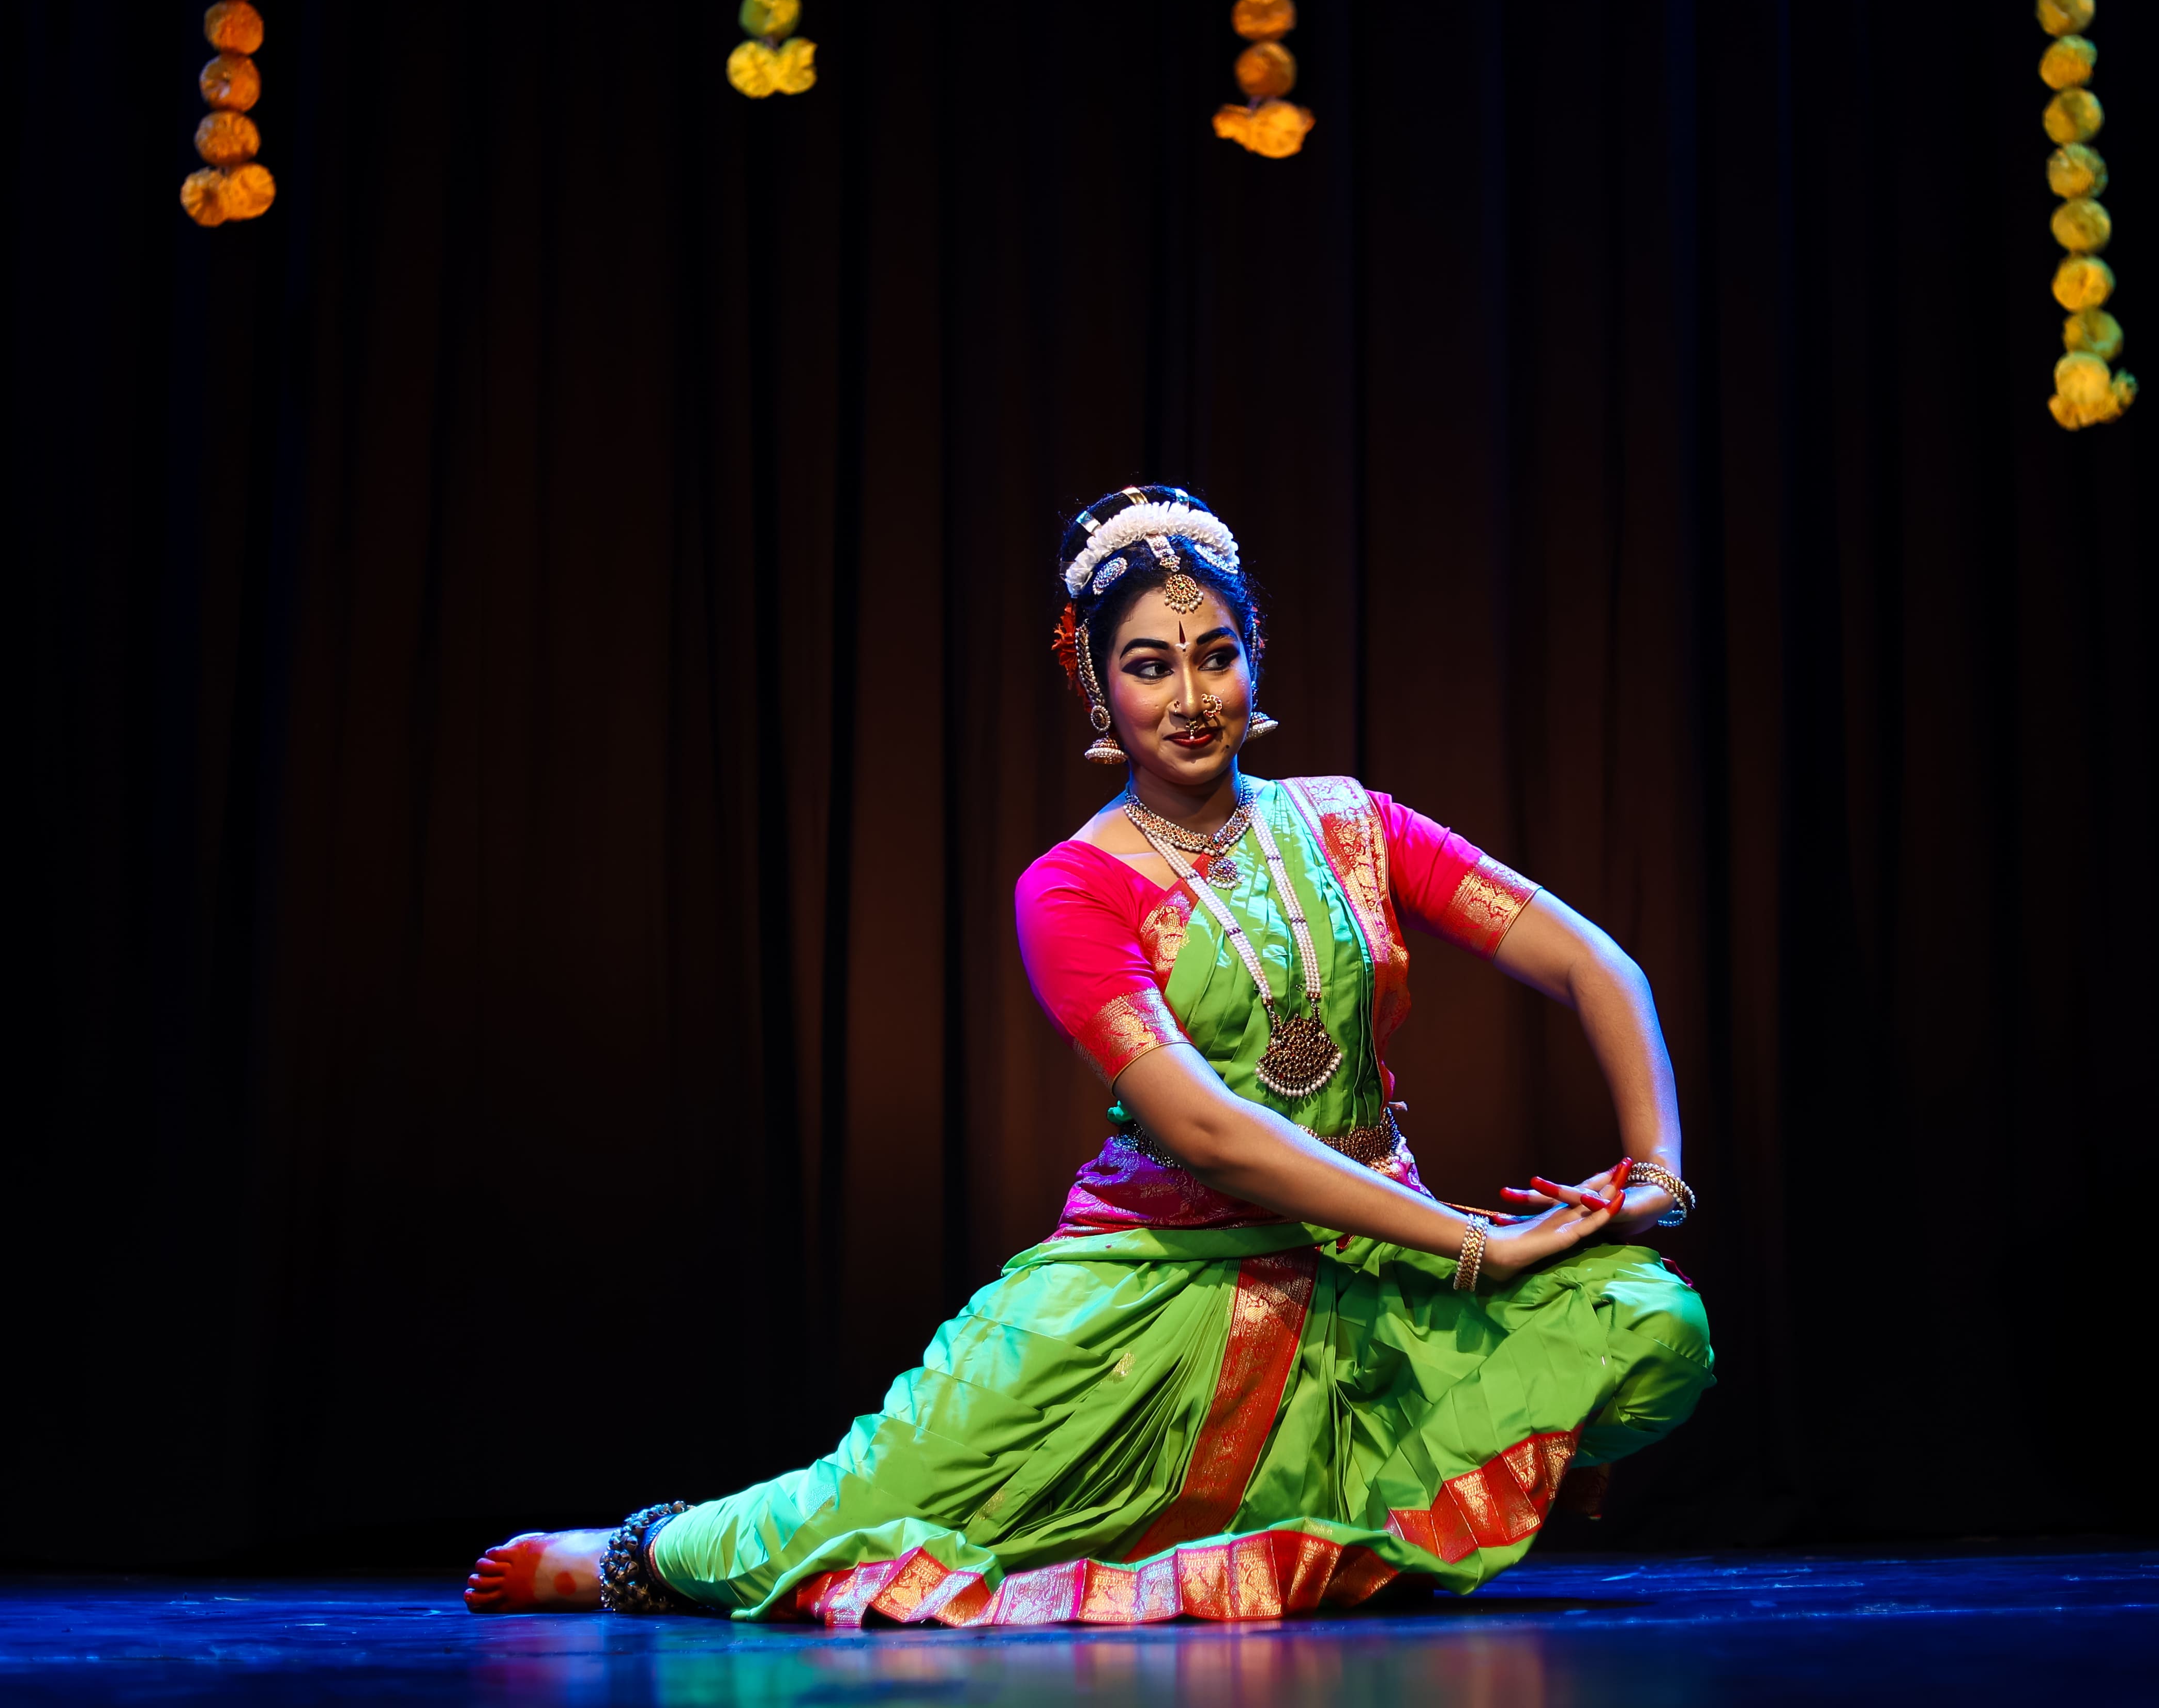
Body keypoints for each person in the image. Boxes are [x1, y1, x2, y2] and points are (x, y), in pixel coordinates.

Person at [463, 486, 1711, 1626]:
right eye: (1150, 666)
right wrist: (1475, 1242)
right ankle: (644, 1554)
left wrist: (1654, 1171)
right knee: (873, 1500)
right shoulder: (1073, 889)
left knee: (1652, 1327)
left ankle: (1361, 1489)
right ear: (1097, 687)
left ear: (1256, 656)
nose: (1193, 698)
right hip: (1152, 1281)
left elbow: (1596, 965)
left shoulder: (1351, 824)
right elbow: (1207, 1131)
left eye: (1217, 657)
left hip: (1369, 1274)